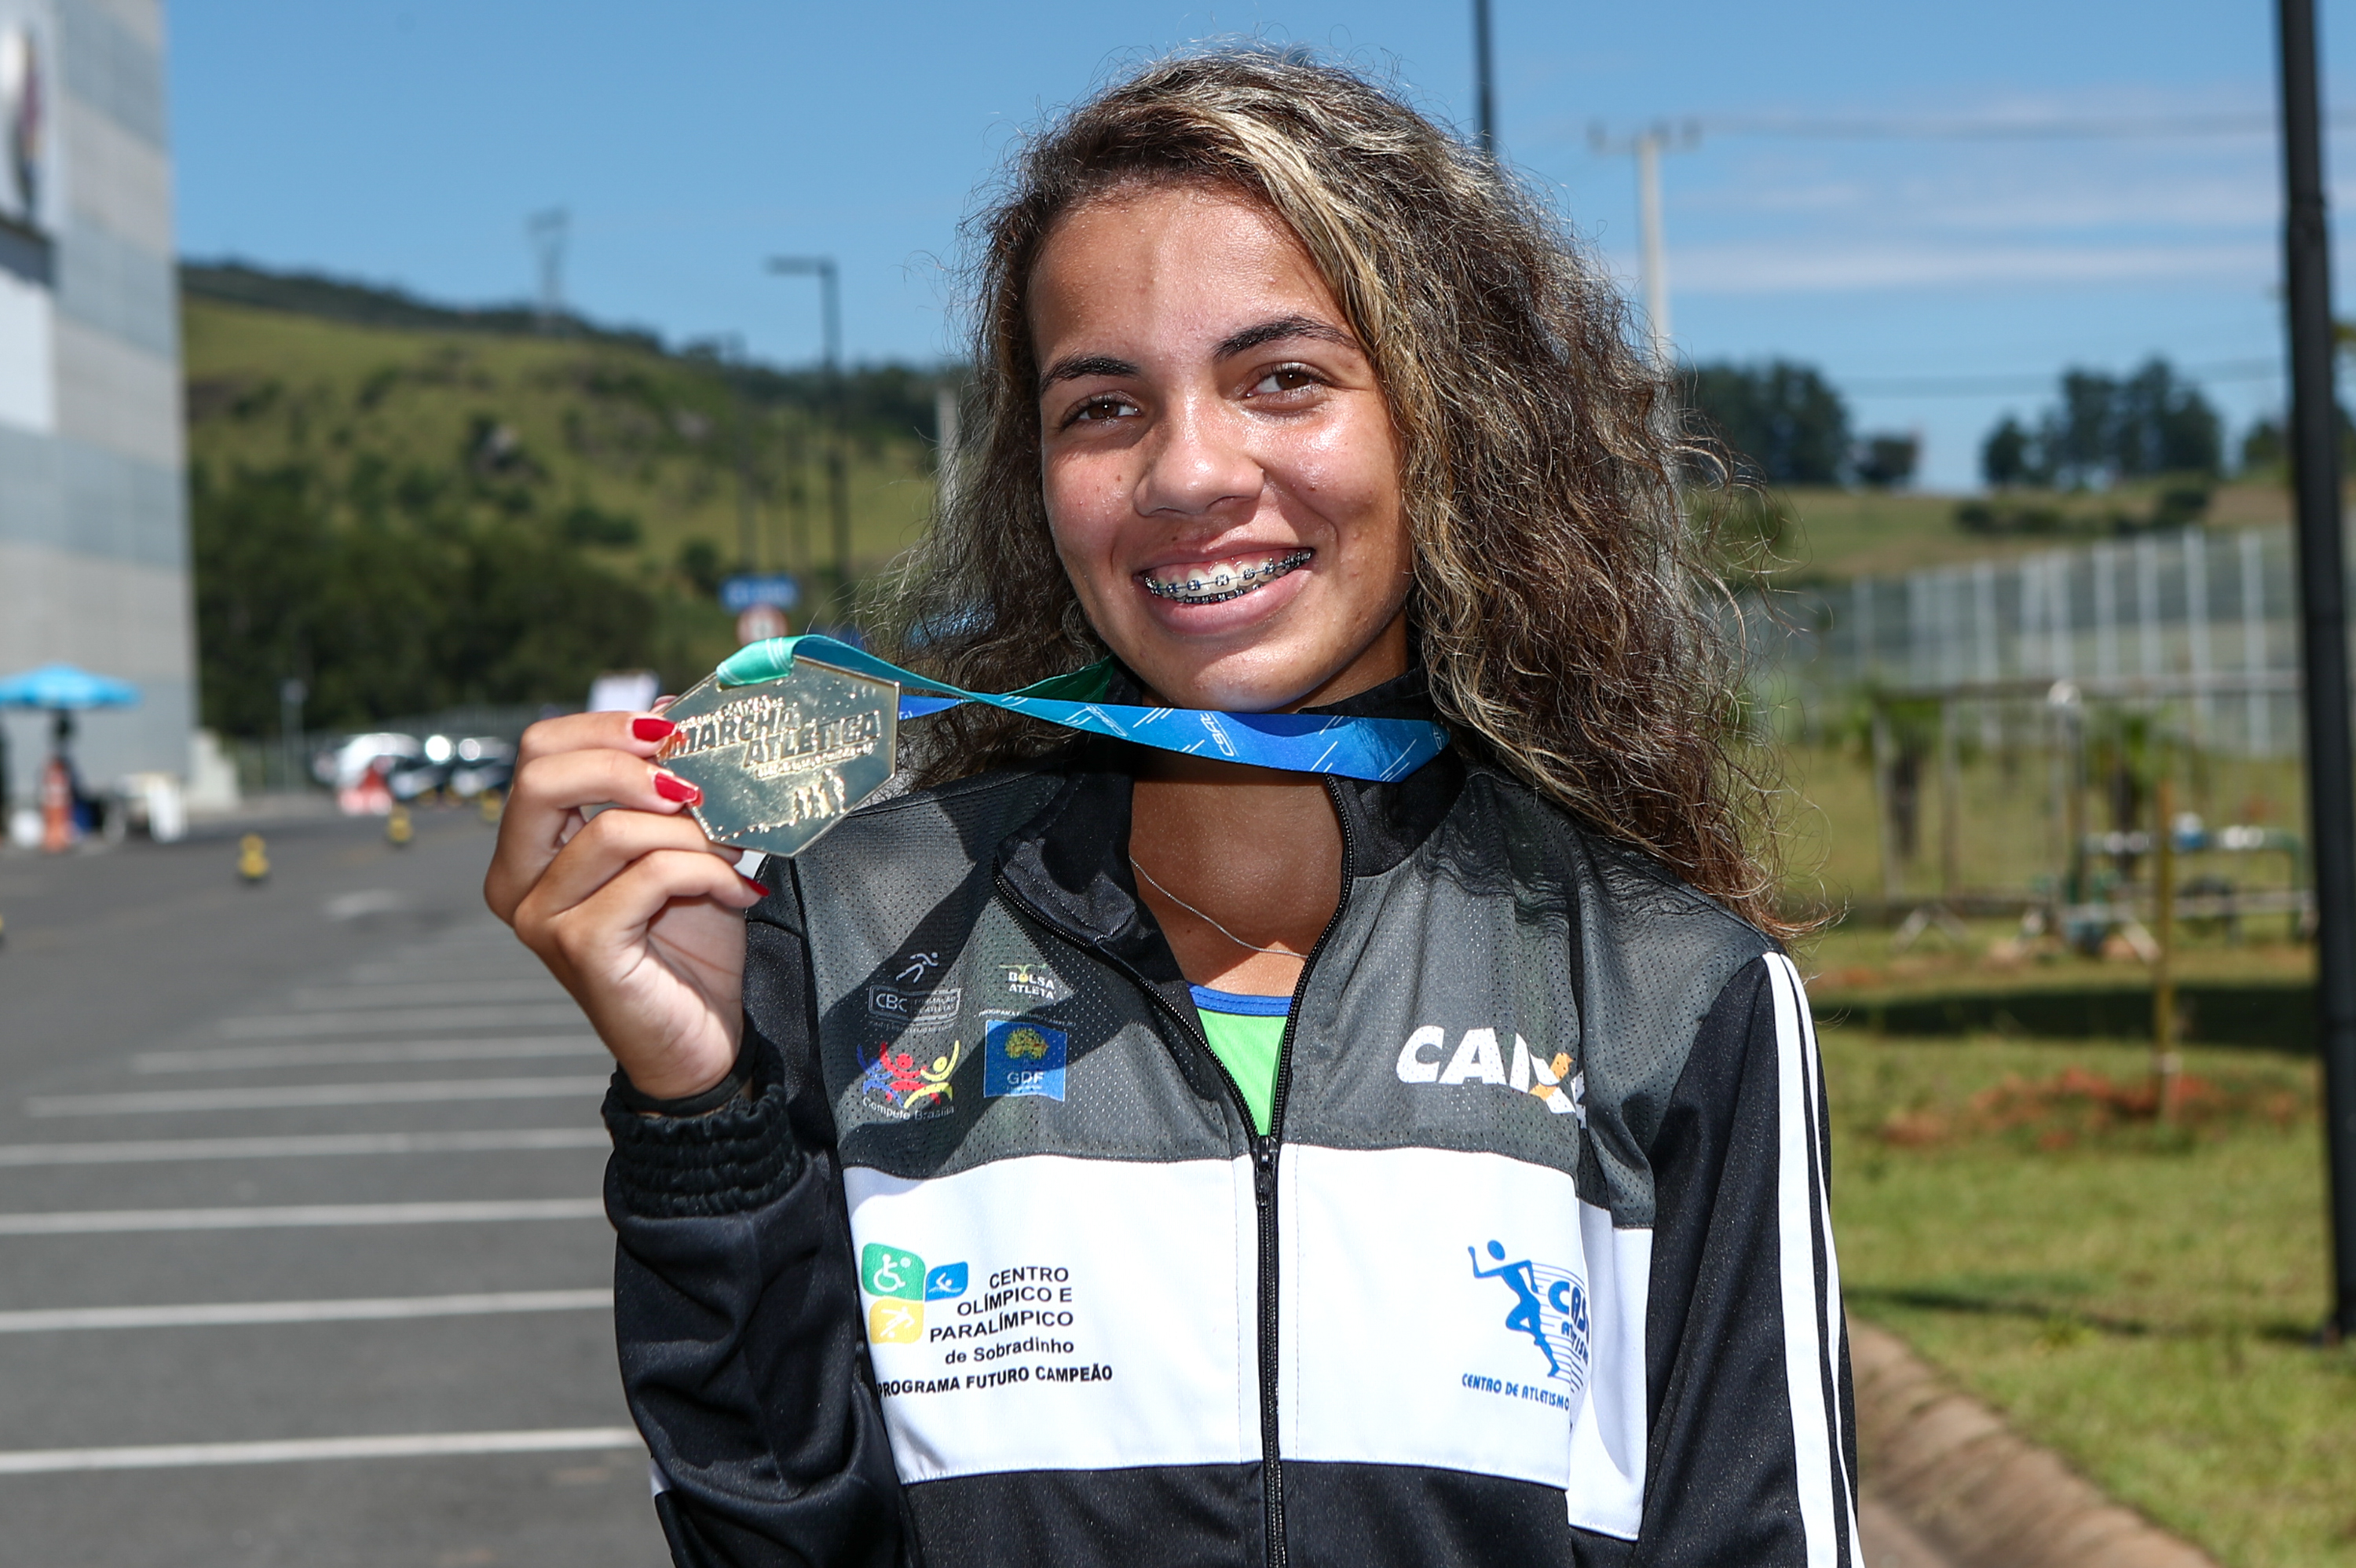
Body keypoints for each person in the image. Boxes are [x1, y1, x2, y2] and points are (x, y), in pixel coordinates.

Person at [487, 49, 1856, 1568]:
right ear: (1039, 477)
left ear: (1446, 423)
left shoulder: (1674, 992)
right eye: (1103, 404)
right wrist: (704, 1118)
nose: (1189, 470)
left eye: (1283, 378)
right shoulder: (847, 938)